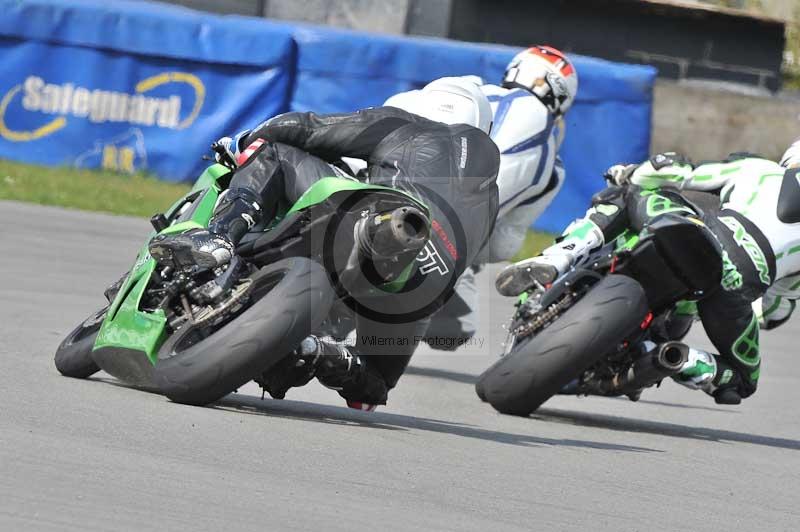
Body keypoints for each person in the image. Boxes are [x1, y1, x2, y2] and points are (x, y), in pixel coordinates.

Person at [149, 78, 500, 410]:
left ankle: (220, 236)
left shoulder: (409, 126)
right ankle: (320, 351)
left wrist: (245, 140)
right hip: (423, 288)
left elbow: (306, 127)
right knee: (374, 388)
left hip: (379, 219)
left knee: (275, 154)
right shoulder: (490, 200)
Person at [496, 146, 800, 405]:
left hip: (698, 231)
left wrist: (630, 174)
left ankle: (560, 256)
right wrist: (748, 311)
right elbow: (774, 310)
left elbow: (679, 172)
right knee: (743, 381)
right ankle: (672, 356)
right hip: (733, 288)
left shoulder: (760, 169)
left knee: (627, 194)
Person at [385, 46, 578, 349]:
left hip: (389, 184)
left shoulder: (469, 86)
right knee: (453, 330)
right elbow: (504, 243)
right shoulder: (552, 160)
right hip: (449, 235)